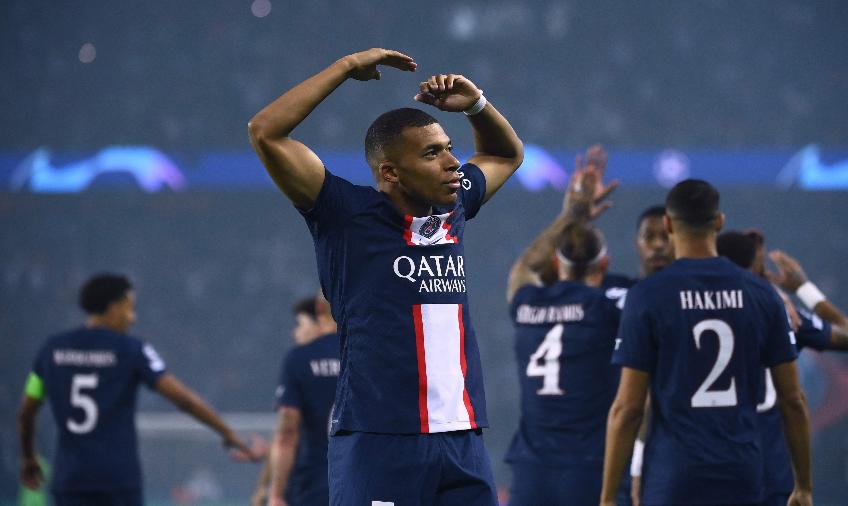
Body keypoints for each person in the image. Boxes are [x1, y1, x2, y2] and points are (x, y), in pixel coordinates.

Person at [248, 48, 524, 505]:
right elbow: (265, 131)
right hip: (380, 438)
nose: (453, 162)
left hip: (462, 437)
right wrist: (342, 69)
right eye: (433, 153)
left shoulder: (453, 207)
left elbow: (505, 153)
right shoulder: (344, 213)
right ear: (390, 172)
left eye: (450, 149)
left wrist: (477, 104)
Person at [600, 180, 813, 506]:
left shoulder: (647, 296)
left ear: (669, 224)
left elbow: (628, 408)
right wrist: (803, 486)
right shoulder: (761, 295)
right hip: (741, 469)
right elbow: (793, 400)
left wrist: (608, 498)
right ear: (719, 222)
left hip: (672, 474)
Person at [16, 273, 260, 506]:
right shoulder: (131, 350)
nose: (132, 317)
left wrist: (28, 457)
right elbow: (184, 401)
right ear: (113, 307)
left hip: (70, 480)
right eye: (129, 308)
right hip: (117, 481)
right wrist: (227, 432)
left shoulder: (51, 350)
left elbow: (26, 412)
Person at [504, 147, 628, 505]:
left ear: (557, 267)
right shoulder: (607, 310)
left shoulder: (527, 303)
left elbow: (524, 267)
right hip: (587, 467)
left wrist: (571, 216)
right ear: (604, 265)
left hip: (531, 470)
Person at [717, 230, 848, 506]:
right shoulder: (780, 312)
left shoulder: (690, 313)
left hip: (706, 469)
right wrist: (802, 289)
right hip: (768, 471)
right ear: (756, 268)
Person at [251, 295, 340, 506]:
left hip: (312, 487)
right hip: (359, 483)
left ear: (319, 314)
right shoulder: (362, 355)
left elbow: (287, 433)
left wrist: (275, 494)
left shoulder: (299, 359)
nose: (295, 332)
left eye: (300, 324)